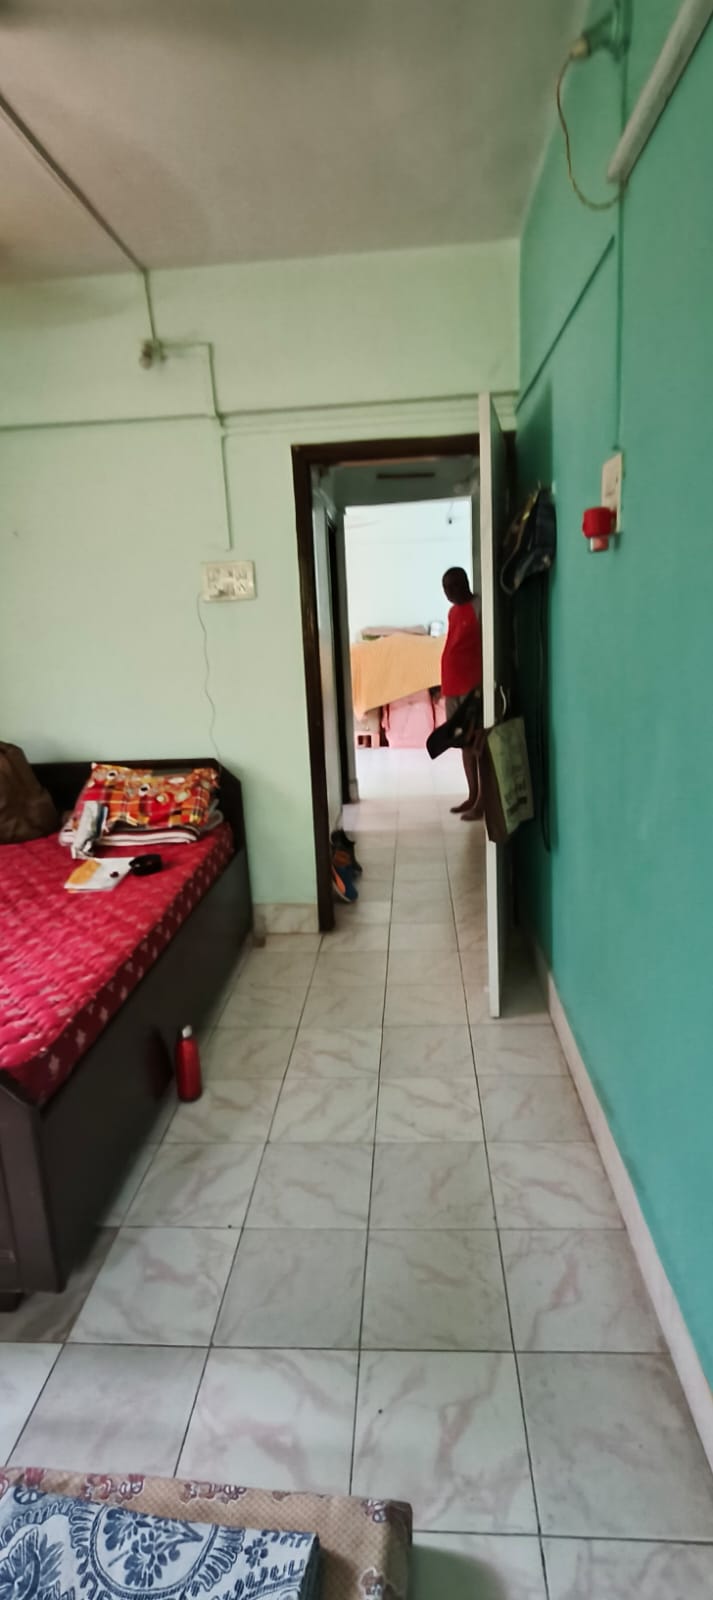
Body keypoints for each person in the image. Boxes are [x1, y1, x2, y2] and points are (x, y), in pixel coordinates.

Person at [440, 566, 483, 820]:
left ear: (465, 583)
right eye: (445, 588)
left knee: (477, 742)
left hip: (471, 687)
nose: (449, 592)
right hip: (452, 685)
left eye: (453, 585)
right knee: (463, 743)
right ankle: (472, 794)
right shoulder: (452, 612)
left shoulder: (479, 607)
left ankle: (482, 802)